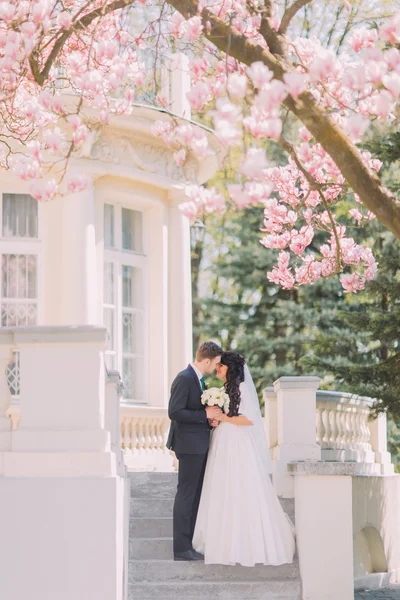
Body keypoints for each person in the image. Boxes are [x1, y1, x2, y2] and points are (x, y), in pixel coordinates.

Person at [193, 351, 295, 567]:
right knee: (222, 487)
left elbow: (248, 420)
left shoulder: (240, 389)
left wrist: (224, 417)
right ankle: (222, 541)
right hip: (223, 440)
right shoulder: (225, 389)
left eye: (221, 366)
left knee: (241, 487)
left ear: (230, 367)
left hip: (238, 443)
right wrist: (216, 421)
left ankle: (245, 544)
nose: (218, 369)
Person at [166, 341, 223, 562]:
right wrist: (204, 415)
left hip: (197, 444)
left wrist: (209, 422)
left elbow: (196, 411)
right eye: (215, 363)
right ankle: (181, 548)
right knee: (186, 495)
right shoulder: (184, 378)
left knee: (194, 495)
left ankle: (188, 543)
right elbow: (175, 411)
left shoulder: (199, 380)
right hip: (188, 447)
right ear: (206, 360)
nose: (216, 368)